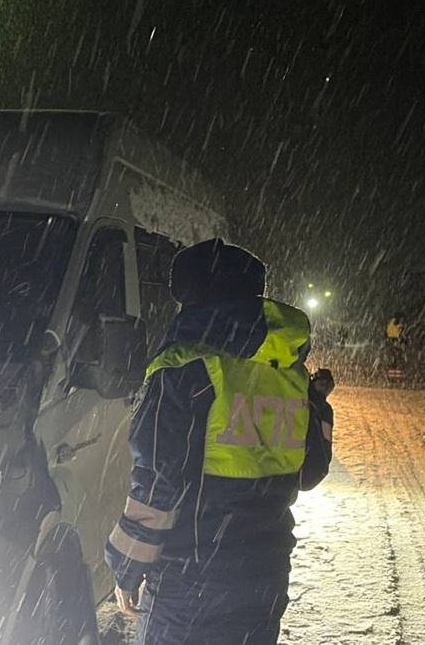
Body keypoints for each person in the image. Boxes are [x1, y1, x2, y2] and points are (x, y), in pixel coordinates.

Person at [104, 239, 334, 645]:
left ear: (192, 300)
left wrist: (127, 567)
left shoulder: (183, 369)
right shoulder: (289, 373)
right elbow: (310, 472)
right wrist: (319, 406)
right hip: (264, 575)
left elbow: (158, 482)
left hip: (190, 581)